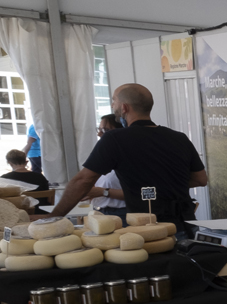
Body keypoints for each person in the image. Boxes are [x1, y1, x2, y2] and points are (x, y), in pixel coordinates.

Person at [37, 84, 206, 232]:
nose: (112, 105)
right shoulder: (179, 137)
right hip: (185, 224)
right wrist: (165, 185)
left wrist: (53, 216)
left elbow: (83, 181)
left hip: (147, 229)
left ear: (124, 107)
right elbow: (200, 179)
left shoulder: (115, 139)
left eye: (114, 100)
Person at [85, 115, 126, 223]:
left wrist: (103, 192)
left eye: (105, 130)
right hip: (99, 213)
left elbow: (137, 193)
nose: (99, 134)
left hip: (121, 215)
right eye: (99, 129)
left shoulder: (128, 158)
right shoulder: (102, 157)